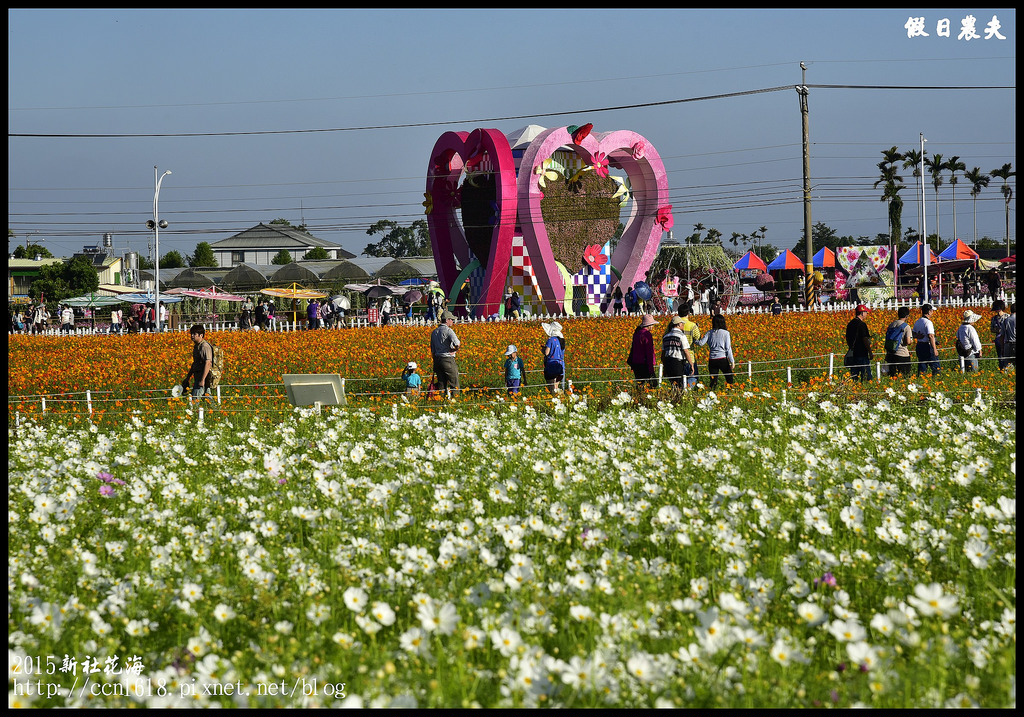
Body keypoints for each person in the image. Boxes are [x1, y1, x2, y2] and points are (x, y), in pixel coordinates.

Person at [697, 313, 735, 390]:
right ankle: (729, 391)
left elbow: (701, 343)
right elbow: (728, 348)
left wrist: (693, 340)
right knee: (729, 378)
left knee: (713, 380)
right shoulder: (725, 333)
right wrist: (732, 361)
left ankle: (712, 392)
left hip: (712, 360)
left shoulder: (709, 332)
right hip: (722, 359)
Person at [430, 310, 460, 396]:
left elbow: (432, 350)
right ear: (447, 320)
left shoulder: (434, 332)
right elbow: (457, 343)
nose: (452, 321)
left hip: (437, 360)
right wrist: (455, 350)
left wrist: (435, 361)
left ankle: (441, 401)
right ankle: (455, 401)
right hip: (447, 359)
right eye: (451, 319)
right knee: (454, 382)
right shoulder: (448, 331)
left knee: (441, 383)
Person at [661, 315, 694, 391]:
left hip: (668, 362)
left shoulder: (666, 336)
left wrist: (664, 365)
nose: (683, 325)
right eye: (682, 324)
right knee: (680, 385)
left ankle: (673, 399)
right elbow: (686, 351)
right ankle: (679, 400)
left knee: (672, 384)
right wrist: (691, 364)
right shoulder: (681, 336)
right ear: (679, 324)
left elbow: (663, 353)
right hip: (677, 362)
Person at [181, 324, 214, 400]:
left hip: (203, 376)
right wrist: (188, 377)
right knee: (207, 397)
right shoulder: (197, 346)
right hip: (199, 375)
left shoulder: (204, 346)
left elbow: (208, 363)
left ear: (201, 335)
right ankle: (216, 410)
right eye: (191, 334)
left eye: (194, 334)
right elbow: (195, 363)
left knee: (195, 399)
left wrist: (202, 380)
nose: (192, 336)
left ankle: (196, 411)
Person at [626, 314, 658, 387]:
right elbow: (649, 352)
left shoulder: (637, 333)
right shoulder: (647, 334)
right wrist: (651, 369)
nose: (653, 327)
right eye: (652, 325)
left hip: (636, 363)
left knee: (640, 385)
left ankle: (639, 397)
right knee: (652, 386)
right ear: (649, 325)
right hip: (644, 364)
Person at [844, 304, 873, 381]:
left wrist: (851, 347)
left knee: (854, 376)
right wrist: (870, 351)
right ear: (862, 313)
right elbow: (864, 339)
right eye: (866, 312)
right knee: (866, 376)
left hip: (853, 353)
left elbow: (847, 338)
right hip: (862, 353)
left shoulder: (850, 324)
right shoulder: (862, 324)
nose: (867, 314)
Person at [883, 306, 913, 377]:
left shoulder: (891, 325)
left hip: (891, 354)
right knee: (904, 375)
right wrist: (912, 340)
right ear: (907, 316)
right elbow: (908, 341)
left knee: (893, 376)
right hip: (902, 354)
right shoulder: (906, 326)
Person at [912, 303, 940, 376]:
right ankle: (936, 379)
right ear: (929, 311)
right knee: (935, 366)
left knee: (922, 365)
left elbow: (913, 333)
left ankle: (921, 378)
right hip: (927, 346)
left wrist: (918, 336)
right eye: (932, 311)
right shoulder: (928, 322)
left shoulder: (918, 321)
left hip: (919, 345)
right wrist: (935, 349)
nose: (933, 313)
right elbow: (931, 336)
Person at [541, 321, 566, 394]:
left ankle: (553, 399)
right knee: (556, 386)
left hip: (551, 365)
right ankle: (558, 399)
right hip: (561, 364)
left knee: (551, 386)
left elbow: (547, 353)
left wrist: (543, 350)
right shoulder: (562, 340)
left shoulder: (551, 340)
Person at [989, 299, 1010, 370]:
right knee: (1000, 355)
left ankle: (1007, 368)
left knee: (1007, 354)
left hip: (1006, 339)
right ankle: (1001, 368)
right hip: (998, 340)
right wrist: (998, 330)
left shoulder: (1007, 317)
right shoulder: (994, 318)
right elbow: (991, 329)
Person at [1000, 303, 1015, 367]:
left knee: (1008, 364)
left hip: (1008, 344)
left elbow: (1002, 335)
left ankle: (1007, 376)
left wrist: (1002, 348)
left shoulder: (1006, 320)